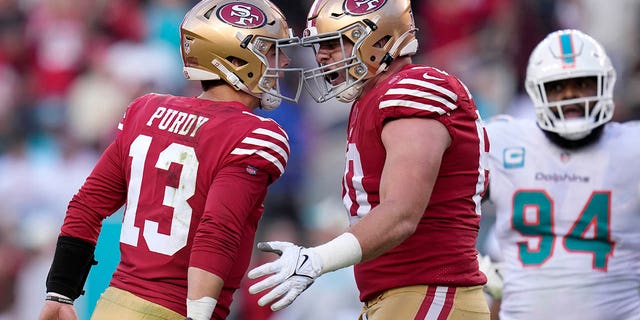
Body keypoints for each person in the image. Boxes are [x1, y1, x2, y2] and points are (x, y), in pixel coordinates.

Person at [37, 0, 303, 319]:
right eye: (272, 51)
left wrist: (60, 291)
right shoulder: (254, 134)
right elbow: (217, 232)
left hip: (112, 306)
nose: (284, 62)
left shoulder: (146, 110)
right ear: (235, 59)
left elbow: (87, 204)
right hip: (176, 311)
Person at [248, 0, 492, 319]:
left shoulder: (413, 88)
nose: (321, 56)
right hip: (402, 295)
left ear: (378, 40)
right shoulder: (373, 99)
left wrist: (318, 259)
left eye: (333, 43)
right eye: (319, 46)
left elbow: (401, 212)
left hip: (428, 290)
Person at [483, 29, 640, 320]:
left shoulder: (632, 149)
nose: (570, 95)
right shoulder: (502, 140)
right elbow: (439, 201)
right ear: (535, 91)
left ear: (604, 86)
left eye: (582, 83)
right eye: (557, 86)